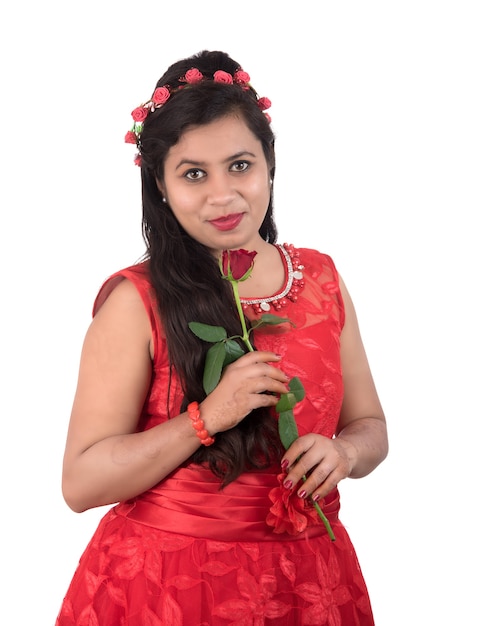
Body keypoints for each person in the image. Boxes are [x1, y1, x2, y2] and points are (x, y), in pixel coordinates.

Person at [55, 49, 388, 626]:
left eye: (240, 165)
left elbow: (371, 427)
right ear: (159, 185)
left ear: (269, 163)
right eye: (193, 174)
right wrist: (206, 417)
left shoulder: (323, 280)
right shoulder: (137, 302)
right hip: (168, 589)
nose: (223, 195)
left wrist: (345, 451)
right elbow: (82, 483)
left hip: (308, 583)